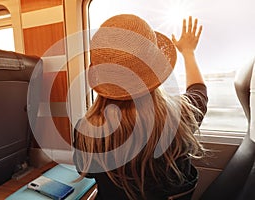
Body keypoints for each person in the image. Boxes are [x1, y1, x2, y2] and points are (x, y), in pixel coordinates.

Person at [73, 14, 208, 200]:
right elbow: (199, 91)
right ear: (154, 68)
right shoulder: (182, 115)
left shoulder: (87, 132)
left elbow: (86, 172)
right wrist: (188, 52)